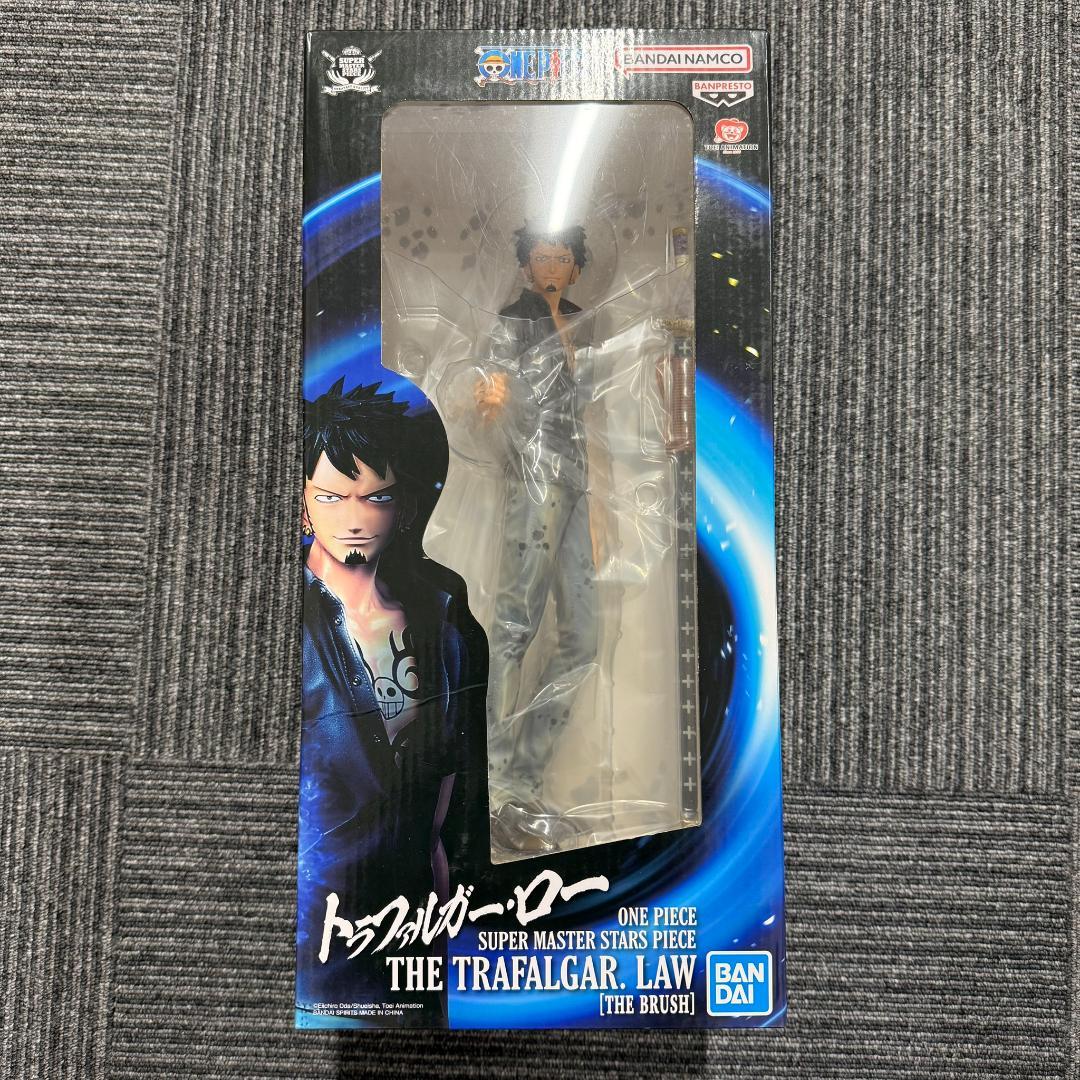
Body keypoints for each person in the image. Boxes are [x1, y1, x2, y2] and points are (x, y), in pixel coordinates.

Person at [296, 378, 480, 1025]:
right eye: (331, 496)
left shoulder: (442, 626)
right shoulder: (287, 623)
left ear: (402, 508)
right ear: (302, 504)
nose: (353, 518)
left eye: (374, 497)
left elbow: (438, 822)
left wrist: (437, 950)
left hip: (413, 952)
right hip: (313, 955)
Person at [473, 221, 603, 857]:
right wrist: (492, 396)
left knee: (584, 636)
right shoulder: (514, 320)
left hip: (576, 478)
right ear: (527, 267)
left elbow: (585, 406)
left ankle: (522, 782)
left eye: (562, 258)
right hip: (535, 473)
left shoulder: (583, 322)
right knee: (515, 626)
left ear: (576, 267)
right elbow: (492, 384)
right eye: (542, 258)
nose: (551, 268)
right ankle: (494, 787)